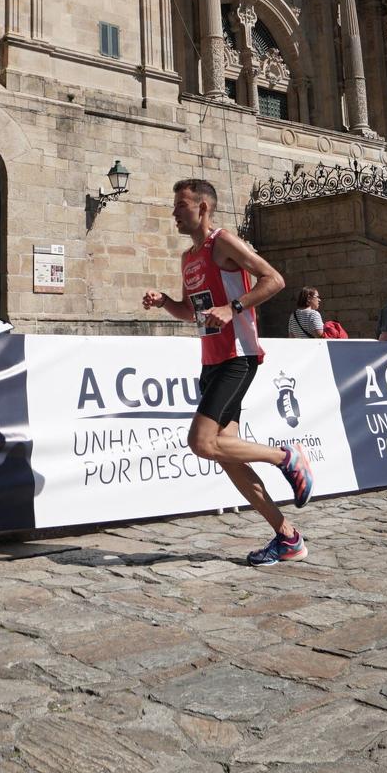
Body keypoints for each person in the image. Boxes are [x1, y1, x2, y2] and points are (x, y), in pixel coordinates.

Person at [142, 178, 311, 567]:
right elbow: (193, 312)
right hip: (211, 359)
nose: (174, 212)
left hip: (238, 355)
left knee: (201, 443)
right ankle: (288, 537)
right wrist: (166, 301)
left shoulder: (223, 241)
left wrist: (233, 307)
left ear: (202, 207)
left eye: (180, 205)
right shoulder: (188, 258)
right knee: (227, 455)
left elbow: (275, 279)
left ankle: (286, 457)